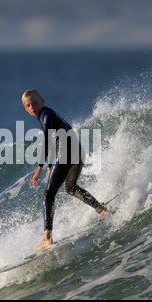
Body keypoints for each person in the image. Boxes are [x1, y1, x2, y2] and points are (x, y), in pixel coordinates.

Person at [22, 89, 109, 252]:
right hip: (77, 152)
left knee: (49, 194)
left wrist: (39, 168)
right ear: (26, 109)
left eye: (34, 103)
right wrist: (50, 166)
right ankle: (104, 211)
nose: (32, 106)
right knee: (71, 188)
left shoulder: (45, 114)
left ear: (42, 101)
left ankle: (47, 238)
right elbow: (57, 138)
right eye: (28, 105)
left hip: (67, 154)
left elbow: (49, 138)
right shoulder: (48, 115)